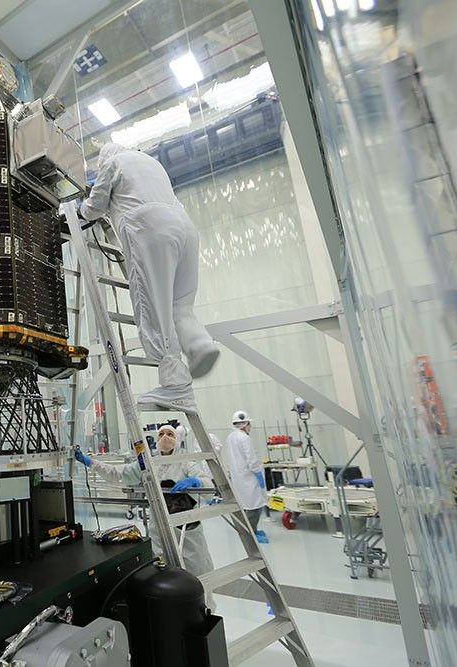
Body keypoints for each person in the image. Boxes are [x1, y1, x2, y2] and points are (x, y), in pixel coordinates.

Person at [79, 143, 218, 413]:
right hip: (184, 228)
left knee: (152, 304)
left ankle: (176, 385)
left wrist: (80, 211)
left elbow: (94, 207)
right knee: (179, 305)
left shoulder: (113, 163)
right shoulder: (153, 164)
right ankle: (200, 345)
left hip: (150, 228)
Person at [75, 423, 217, 610]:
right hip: (159, 531)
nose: (165, 438)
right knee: (162, 575)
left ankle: (204, 613)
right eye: (161, 435)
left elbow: (209, 487)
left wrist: (197, 481)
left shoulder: (186, 463)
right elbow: (117, 473)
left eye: (170, 434)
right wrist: (89, 461)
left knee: (197, 575)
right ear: (156, 440)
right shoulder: (148, 465)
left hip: (187, 531)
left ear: (178, 439)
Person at [222, 410, 269, 544]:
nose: (250, 427)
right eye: (249, 424)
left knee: (248, 505)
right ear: (245, 424)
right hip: (249, 478)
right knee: (255, 506)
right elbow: (251, 459)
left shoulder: (231, 437)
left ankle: (251, 530)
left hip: (239, 477)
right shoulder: (244, 438)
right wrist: (258, 473)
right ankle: (251, 533)